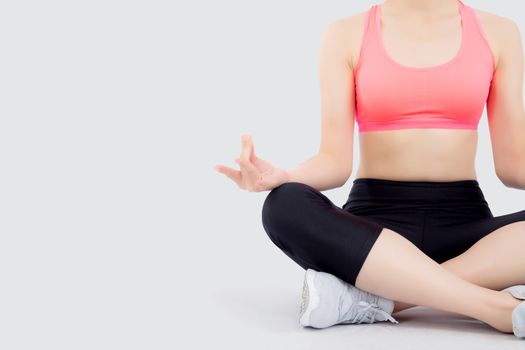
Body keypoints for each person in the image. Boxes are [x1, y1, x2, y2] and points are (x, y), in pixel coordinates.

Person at [214, 0, 525, 338]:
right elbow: (334, 161)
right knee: (283, 205)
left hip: (465, 232)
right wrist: (283, 177)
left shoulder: (500, 32)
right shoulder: (345, 34)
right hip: (372, 235)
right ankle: (491, 306)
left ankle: (368, 299)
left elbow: (512, 166)